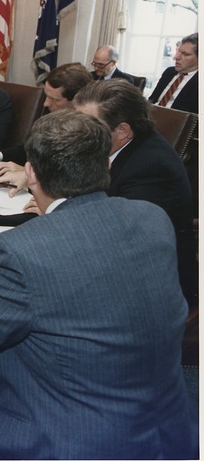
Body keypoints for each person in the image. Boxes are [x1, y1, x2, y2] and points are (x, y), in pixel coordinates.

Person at [0, 109, 195, 460]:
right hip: (166, 423)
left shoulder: (15, 251)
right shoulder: (153, 218)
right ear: (105, 165)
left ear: (31, 172)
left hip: (71, 438)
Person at [73, 79, 196, 305]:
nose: (76, 132)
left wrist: (60, 209)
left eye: (87, 125)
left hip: (151, 286)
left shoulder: (153, 168)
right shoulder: (108, 143)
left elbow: (115, 237)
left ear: (122, 131)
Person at [0, 62, 92, 165]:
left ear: (77, 100)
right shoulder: (50, 114)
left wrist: (28, 174)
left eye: (54, 99)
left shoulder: (90, 133)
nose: (45, 103)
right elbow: (30, 148)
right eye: (46, 96)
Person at [148, 32, 198, 113]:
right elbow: (152, 100)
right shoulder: (169, 72)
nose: (176, 57)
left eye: (185, 54)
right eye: (178, 51)